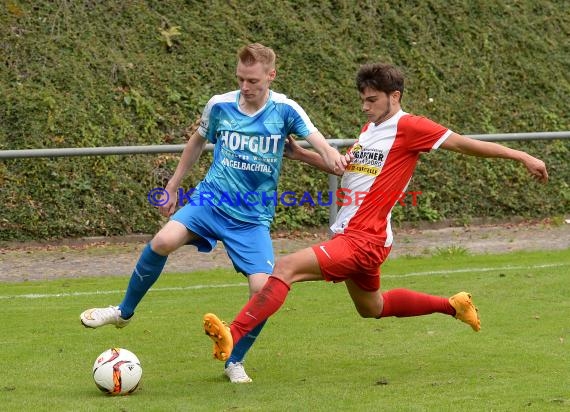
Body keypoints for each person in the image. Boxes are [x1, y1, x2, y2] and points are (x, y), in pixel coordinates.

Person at [202, 62, 549, 368]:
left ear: (394, 96)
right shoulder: (370, 132)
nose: (365, 106)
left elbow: (464, 144)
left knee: (285, 268)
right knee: (372, 307)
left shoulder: (411, 127)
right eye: (363, 99)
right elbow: (347, 171)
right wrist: (300, 154)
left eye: (372, 100)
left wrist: (521, 156)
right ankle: (453, 305)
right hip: (360, 237)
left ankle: (233, 333)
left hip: (364, 239)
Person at [80, 43, 349, 383]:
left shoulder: (286, 110)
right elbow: (196, 142)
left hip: (252, 218)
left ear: (271, 76)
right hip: (209, 202)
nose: (245, 87)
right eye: (240, 78)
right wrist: (174, 186)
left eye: (253, 80)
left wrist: (334, 161)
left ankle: (234, 360)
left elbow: (319, 143)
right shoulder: (220, 105)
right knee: (163, 240)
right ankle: (123, 312)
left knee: (262, 288)